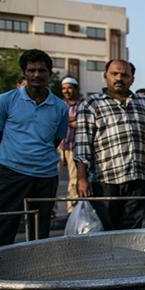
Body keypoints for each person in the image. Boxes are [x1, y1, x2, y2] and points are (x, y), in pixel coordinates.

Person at [0, 50, 68, 246]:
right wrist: (10, 161)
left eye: (41, 70)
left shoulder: (60, 107)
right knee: (2, 226)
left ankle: (35, 275)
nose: (36, 75)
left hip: (45, 176)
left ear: (49, 74)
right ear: (24, 73)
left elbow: (56, 140)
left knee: (39, 232)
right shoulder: (5, 101)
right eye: (31, 70)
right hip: (11, 173)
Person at [74, 60, 145, 230]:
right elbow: (82, 144)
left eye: (124, 75)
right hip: (106, 180)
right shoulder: (92, 104)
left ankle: (127, 258)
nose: (119, 78)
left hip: (139, 178)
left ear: (132, 79)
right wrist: (81, 178)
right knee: (107, 230)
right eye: (114, 74)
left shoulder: (144, 103)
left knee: (132, 231)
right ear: (105, 77)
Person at [58, 76, 81, 216]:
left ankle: (71, 210)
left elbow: (81, 123)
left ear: (76, 89)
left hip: (74, 146)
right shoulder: (59, 105)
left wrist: (65, 121)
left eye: (69, 87)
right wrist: (71, 120)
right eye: (64, 88)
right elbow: (56, 122)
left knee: (74, 178)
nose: (66, 91)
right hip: (58, 146)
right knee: (54, 178)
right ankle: (51, 210)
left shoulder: (82, 105)